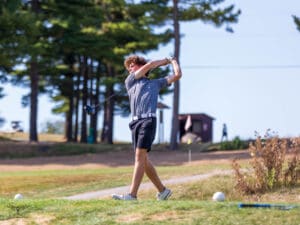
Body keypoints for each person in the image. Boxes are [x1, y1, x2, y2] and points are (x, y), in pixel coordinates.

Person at [112, 55, 182, 201]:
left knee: (139, 157)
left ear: (140, 65)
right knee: (143, 160)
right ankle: (163, 191)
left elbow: (177, 75)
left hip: (148, 120)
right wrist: (166, 60)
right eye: (129, 66)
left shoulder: (156, 83)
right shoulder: (130, 80)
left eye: (133, 64)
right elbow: (150, 64)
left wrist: (173, 61)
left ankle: (132, 195)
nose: (130, 68)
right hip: (135, 123)